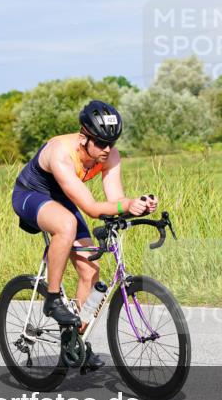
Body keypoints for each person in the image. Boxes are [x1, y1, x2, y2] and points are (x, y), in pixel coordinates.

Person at [11, 100, 158, 333]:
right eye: (100, 143)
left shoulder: (109, 156)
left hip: (63, 198)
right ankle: (52, 299)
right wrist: (126, 204)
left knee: (91, 271)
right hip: (31, 195)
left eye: (111, 143)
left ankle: (75, 339)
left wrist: (136, 206)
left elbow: (114, 201)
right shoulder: (61, 152)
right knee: (66, 224)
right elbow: (91, 208)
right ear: (83, 137)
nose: (107, 149)